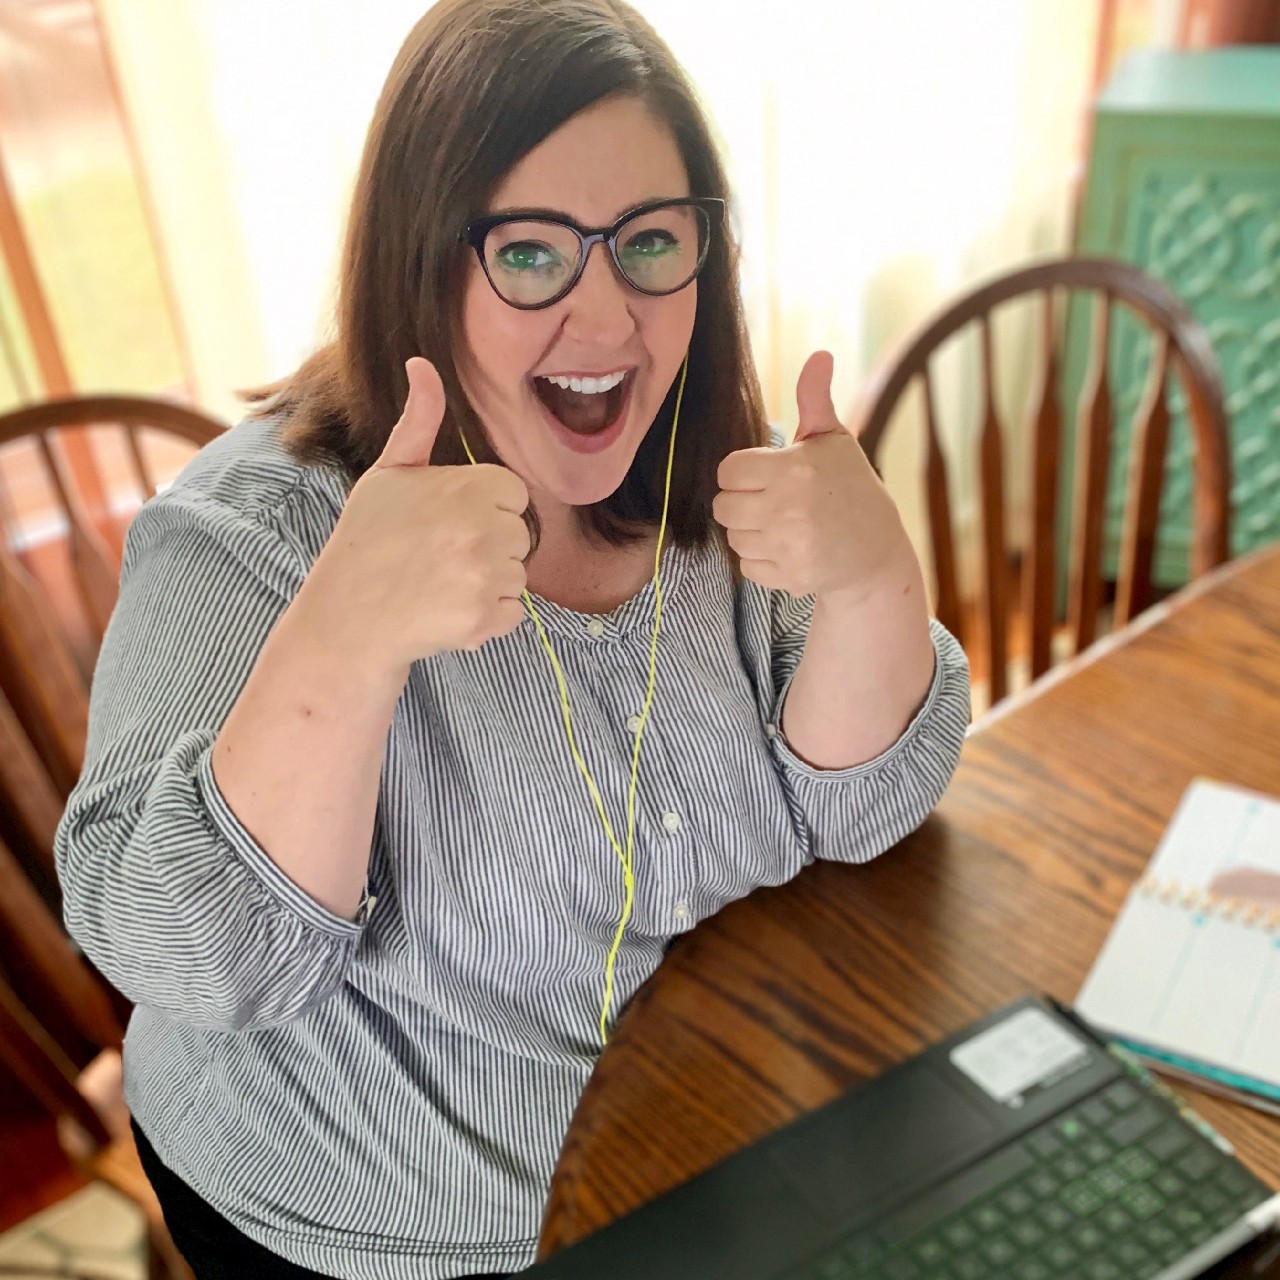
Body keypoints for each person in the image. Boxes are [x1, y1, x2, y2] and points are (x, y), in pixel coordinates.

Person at [54, 1, 971, 1276]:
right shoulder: (248, 530)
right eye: (531, 254)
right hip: (374, 1227)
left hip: (705, 1141)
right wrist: (344, 642)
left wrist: (873, 579)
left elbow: (861, 806)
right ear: (419, 263)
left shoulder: (707, 480)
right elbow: (190, 958)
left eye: (651, 241)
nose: (606, 324)